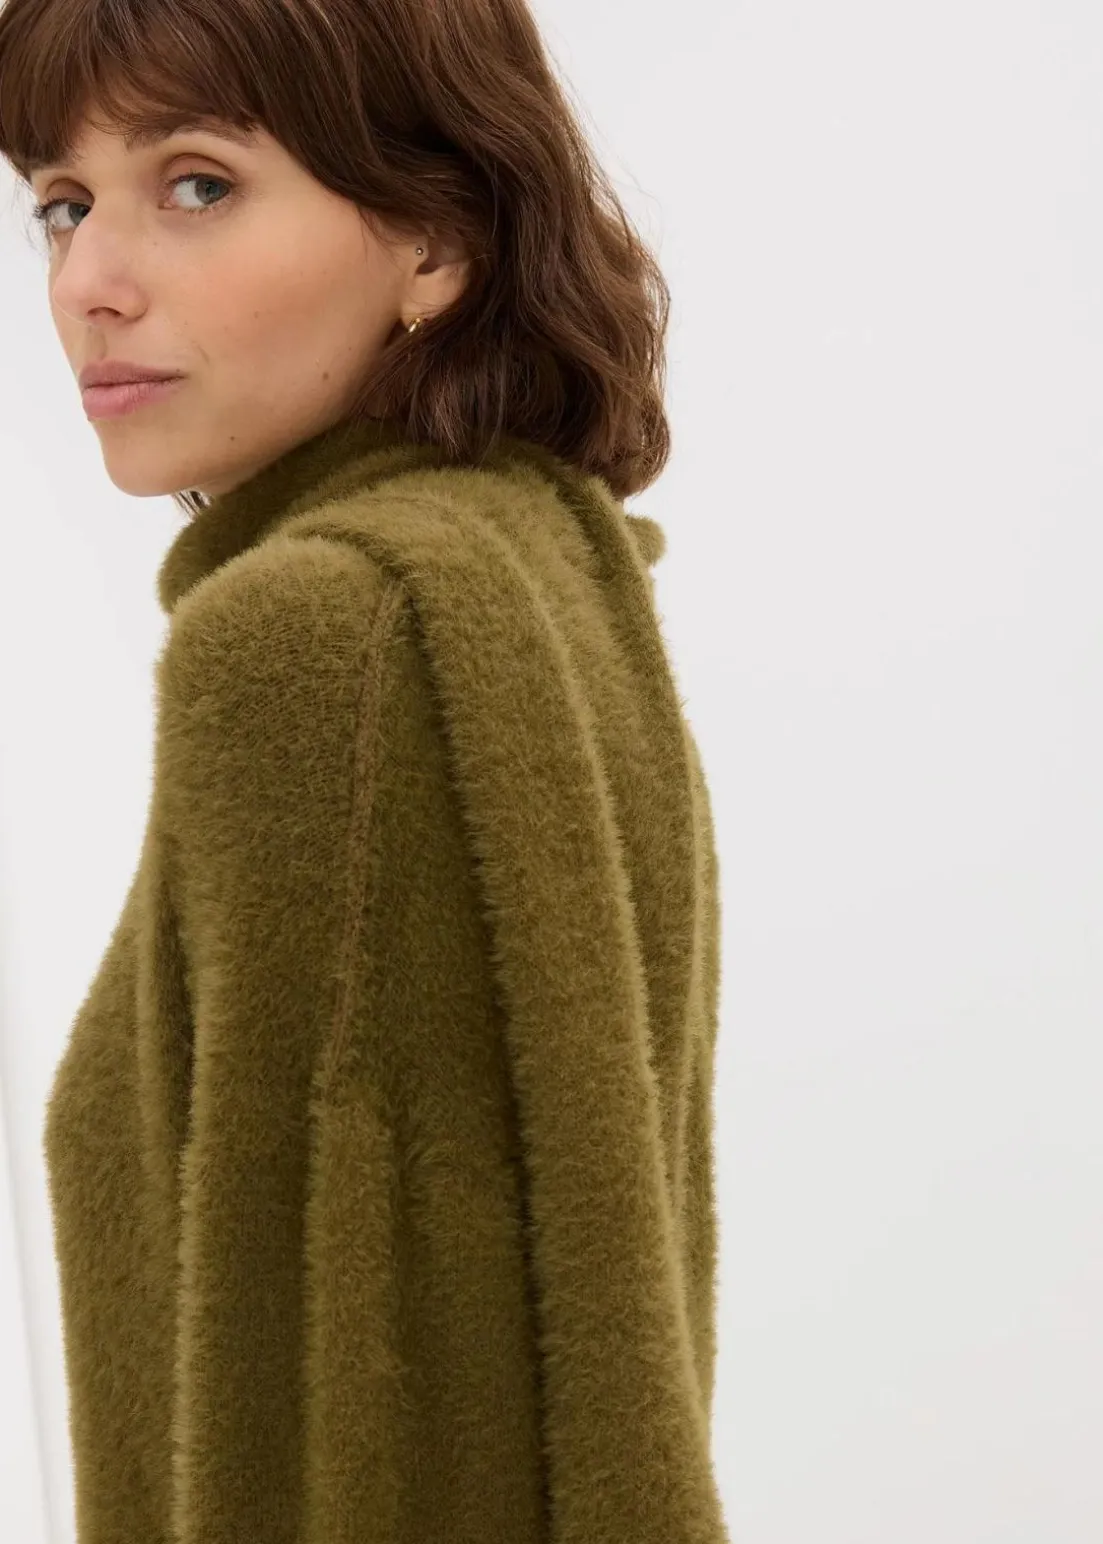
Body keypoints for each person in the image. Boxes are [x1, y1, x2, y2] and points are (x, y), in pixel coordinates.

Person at [0, 1, 728, 1541]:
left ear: (434, 242)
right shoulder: (544, 567)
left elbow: (348, 1389)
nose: (86, 283)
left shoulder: (326, 634)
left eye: (196, 184)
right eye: (62, 203)